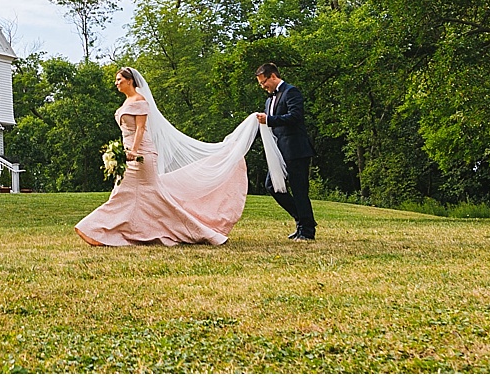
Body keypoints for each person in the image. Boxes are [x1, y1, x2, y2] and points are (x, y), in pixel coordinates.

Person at [75, 67, 274, 246]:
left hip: (141, 155)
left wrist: (133, 151)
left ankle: (95, 228)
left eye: (119, 79)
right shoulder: (126, 102)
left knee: (135, 194)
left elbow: (141, 129)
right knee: (131, 194)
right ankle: (114, 231)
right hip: (128, 155)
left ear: (130, 81)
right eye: (116, 80)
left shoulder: (139, 101)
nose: (116, 83)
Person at [255, 62, 317, 241]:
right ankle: (302, 220)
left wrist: (270, 119)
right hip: (279, 152)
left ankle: (307, 231)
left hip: (296, 149)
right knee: (272, 186)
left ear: (273, 76)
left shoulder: (291, 92)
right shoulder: (269, 101)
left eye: (263, 82)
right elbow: (270, 124)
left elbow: (295, 116)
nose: (262, 87)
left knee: (299, 190)